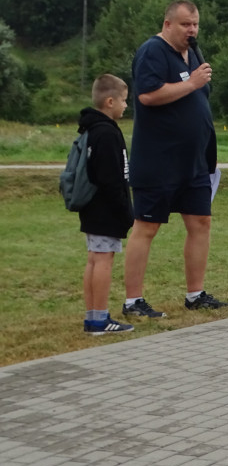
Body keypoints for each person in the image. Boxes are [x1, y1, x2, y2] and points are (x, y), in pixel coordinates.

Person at [122, 0, 228, 317]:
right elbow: (147, 94)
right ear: (168, 24)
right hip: (159, 160)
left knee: (200, 222)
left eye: (195, 24)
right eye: (185, 24)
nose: (192, 30)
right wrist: (191, 82)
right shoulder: (152, 51)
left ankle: (195, 294)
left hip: (193, 162)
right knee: (147, 226)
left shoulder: (193, 52)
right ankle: (133, 301)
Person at [77, 75, 136, 335]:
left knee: (94, 260)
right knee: (103, 261)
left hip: (92, 207)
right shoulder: (107, 133)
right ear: (110, 101)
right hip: (105, 208)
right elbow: (112, 179)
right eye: (123, 100)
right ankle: (99, 319)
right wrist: (125, 210)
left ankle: (93, 316)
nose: (126, 105)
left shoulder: (91, 129)